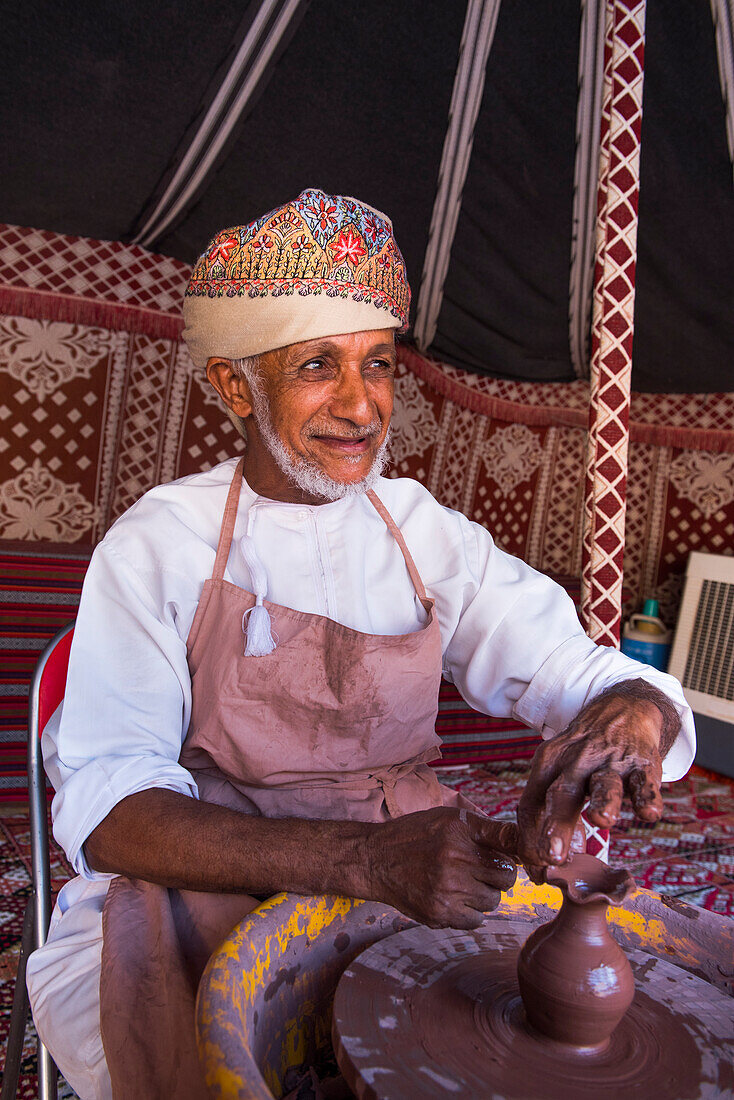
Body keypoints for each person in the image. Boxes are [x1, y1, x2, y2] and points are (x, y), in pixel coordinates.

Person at [26, 189, 694, 1100]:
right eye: (316, 366)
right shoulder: (160, 545)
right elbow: (111, 812)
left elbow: (585, 677)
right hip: (203, 879)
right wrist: (359, 862)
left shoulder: (426, 535)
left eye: (377, 365)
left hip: (411, 867)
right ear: (235, 387)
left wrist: (628, 717)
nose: (360, 405)